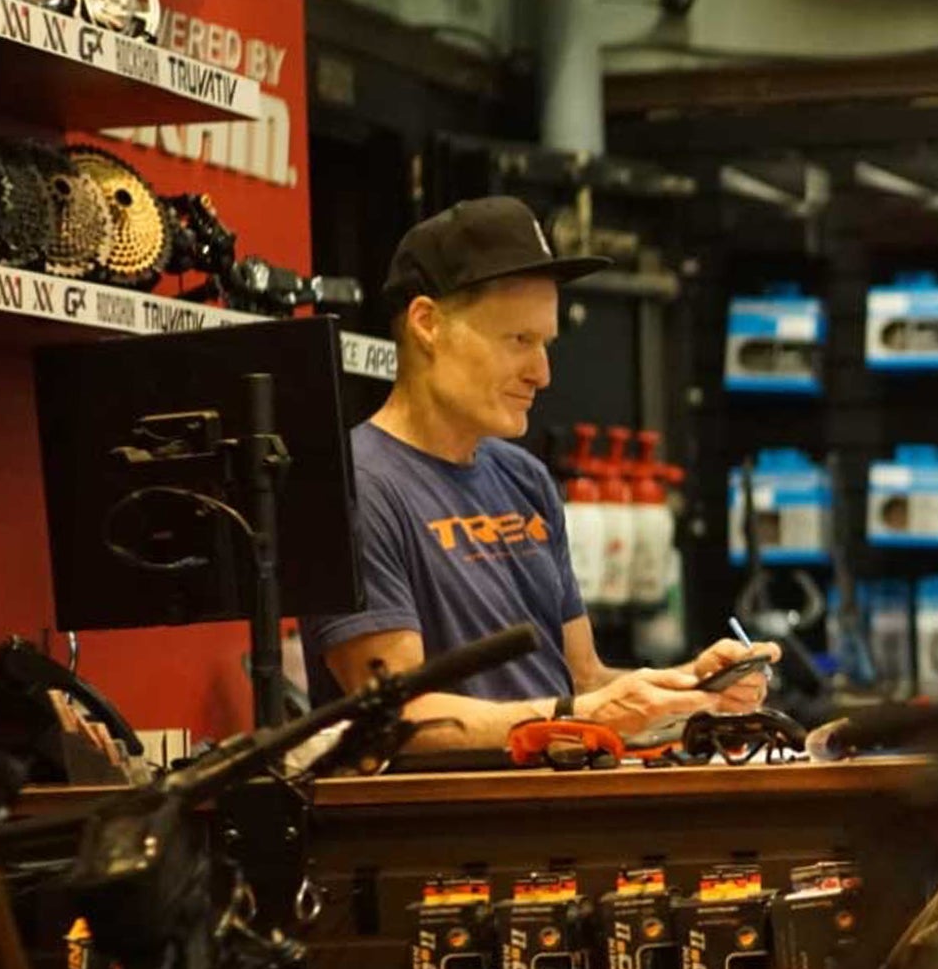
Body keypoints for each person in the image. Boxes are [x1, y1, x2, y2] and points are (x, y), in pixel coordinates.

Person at [302, 196, 775, 748]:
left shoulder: (523, 478)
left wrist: (692, 689)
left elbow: (584, 681)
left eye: (545, 343)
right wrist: (580, 714)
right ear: (427, 323)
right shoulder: (352, 487)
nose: (543, 373)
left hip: (556, 812)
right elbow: (398, 718)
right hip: (435, 826)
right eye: (518, 341)